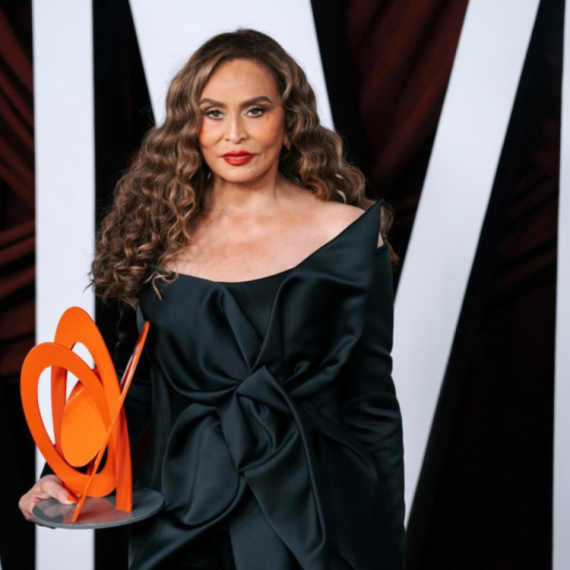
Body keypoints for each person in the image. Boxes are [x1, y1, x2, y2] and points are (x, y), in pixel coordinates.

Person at [19, 28, 405, 569]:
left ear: (289, 119)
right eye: (213, 113)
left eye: (256, 110)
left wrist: (386, 543)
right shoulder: (153, 237)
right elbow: (129, 389)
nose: (234, 134)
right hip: (183, 508)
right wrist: (62, 475)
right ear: (189, 126)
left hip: (316, 514)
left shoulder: (348, 237)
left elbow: (371, 401)